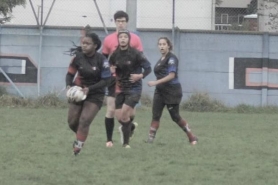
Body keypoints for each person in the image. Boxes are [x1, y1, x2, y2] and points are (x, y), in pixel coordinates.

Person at [145, 37, 198, 145]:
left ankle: (191, 137)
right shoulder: (161, 59)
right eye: (160, 44)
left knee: (175, 116)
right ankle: (150, 140)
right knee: (156, 115)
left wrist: (155, 82)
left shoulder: (172, 58)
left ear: (168, 45)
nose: (161, 46)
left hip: (172, 91)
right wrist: (157, 85)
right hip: (160, 91)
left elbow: (171, 75)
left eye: (164, 44)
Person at [102, 10, 143, 147]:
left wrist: (137, 76)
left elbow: (140, 60)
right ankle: (109, 140)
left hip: (130, 82)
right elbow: (103, 59)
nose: (120, 24)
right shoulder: (108, 40)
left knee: (130, 112)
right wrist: (108, 70)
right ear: (115, 22)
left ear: (127, 22)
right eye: (118, 21)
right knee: (111, 109)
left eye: (123, 21)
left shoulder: (135, 39)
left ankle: (128, 128)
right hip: (114, 80)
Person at [65, 32, 111, 155]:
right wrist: (69, 86)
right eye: (83, 43)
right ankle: (81, 135)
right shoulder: (78, 57)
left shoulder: (102, 60)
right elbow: (70, 74)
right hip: (79, 91)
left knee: (84, 120)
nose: (84, 46)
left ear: (95, 45)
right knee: (72, 122)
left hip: (95, 93)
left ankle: (77, 148)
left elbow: (106, 80)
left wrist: (90, 89)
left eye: (87, 43)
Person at [109, 30, 151, 148]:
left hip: (134, 88)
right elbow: (111, 68)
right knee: (119, 116)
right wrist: (111, 71)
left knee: (124, 114)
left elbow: (148, 68)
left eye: (125, 37)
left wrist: (140, 76)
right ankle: (131, 127)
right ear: (118, 39)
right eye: (121, 37)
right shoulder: (114, 54)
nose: (123, 39)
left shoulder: (136, 53)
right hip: (120, 87)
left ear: (129, 39)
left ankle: (126, 144)